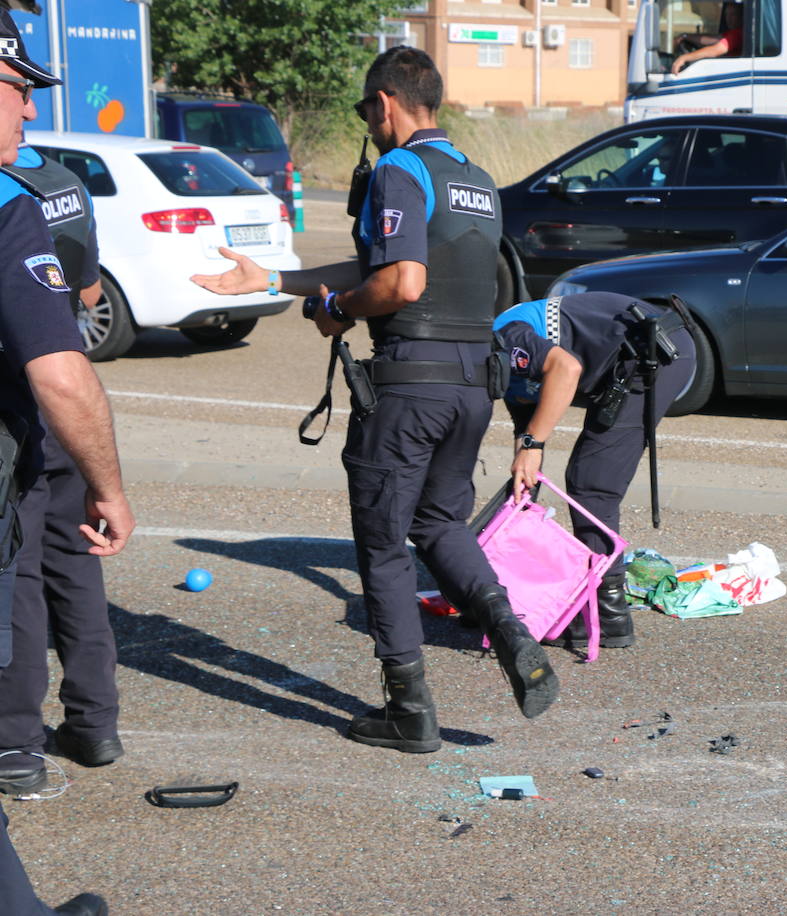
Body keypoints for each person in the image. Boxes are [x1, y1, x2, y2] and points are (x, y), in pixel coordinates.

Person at [190, 46, 558, 753]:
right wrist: (274, 278)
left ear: (386, 103)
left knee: (386, 547)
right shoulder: (476, 179)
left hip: (410, 387)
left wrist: (339, 308)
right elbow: (380, 264)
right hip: (470, 389)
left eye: (366, 110)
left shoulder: (399, 168)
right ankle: (511, 630)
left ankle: (408, 711)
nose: (367, 122)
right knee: (442, 525)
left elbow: (400, 283)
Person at [0, 9, 133, 914]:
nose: (24, 118)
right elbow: (65, 355)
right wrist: (111, 484)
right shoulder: (20, 197)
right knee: (57, 574)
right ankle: (72, 729)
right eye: (18, 94)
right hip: (29, 434)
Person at [0, 142, 122, 790]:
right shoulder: (67, 181)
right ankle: (96, 723)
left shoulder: (9, 193)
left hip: (23, 402)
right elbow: (89, 287)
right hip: (70, 413)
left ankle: (16, 745)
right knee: (77, 569)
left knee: (17, 577)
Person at [494, 291, 697, 649]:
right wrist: (524, 472)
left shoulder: (504, 336)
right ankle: (576, 598)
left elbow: (566, 369)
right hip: (630, 355)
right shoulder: (500, 357)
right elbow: (527, 426)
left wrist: (532, 446)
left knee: (592, 483)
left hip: (657, 351)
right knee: (574, 477)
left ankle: (606, 611)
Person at [671, 1, 744, 75]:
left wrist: (684, 58)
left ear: (741, 16)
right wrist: (685, 36)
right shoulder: (732, 33)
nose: (728, 18)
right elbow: (713, 39)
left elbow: (716, 50)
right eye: (726, 14)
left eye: (733, 14)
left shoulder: (738, 34)